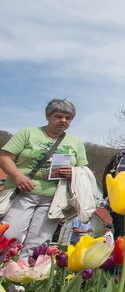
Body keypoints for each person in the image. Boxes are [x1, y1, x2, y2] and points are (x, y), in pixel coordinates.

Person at [1, 99, 89, 253]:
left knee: (38, 244)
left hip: (53, 200)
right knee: (9, 236)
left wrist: (73, 172)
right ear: (48, 116)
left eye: (68, 118)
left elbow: (84, 170)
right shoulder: (28, 132)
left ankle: (26, 273)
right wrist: (17, 176)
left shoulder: (75, 142)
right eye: (59, 116)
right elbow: (5, 157)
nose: (63, 121)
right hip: (22, 193)